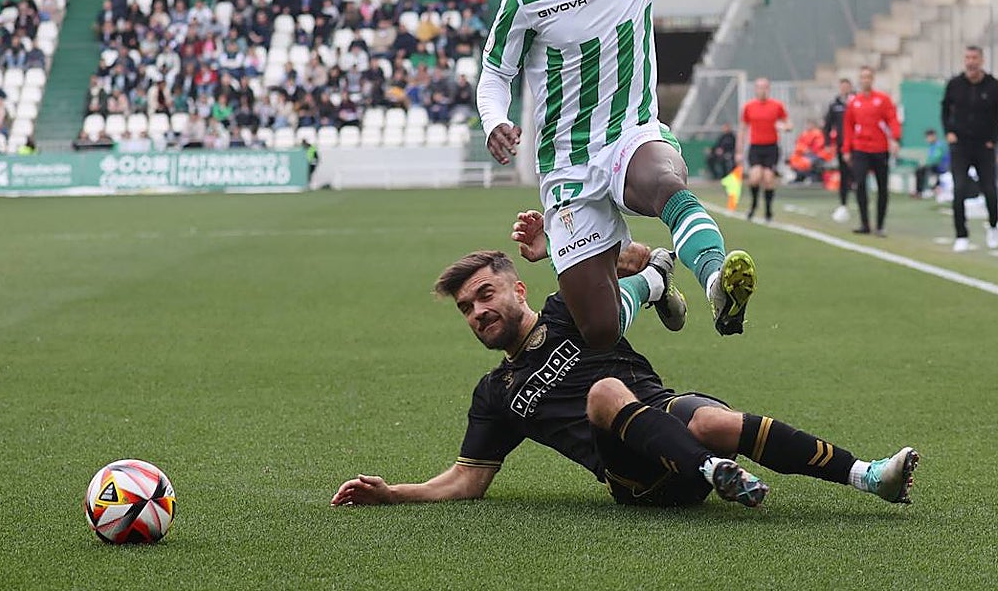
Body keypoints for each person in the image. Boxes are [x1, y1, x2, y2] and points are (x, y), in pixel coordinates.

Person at [330, 211, 919, 511]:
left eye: (485, 295)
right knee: (605, 392)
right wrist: (394, 494)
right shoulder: (497, 392)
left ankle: (868, 476)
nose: (477, 312)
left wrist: (560, 250)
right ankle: (716, 471)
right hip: (637, 479)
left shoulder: (570, 310)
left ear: (518, 290)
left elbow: (630, 258)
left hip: (670, 420)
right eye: (466, 308)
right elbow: (466, 480)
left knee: (711, 420)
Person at [478, 0, 783, 347]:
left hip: (629, 134)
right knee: (597, 330)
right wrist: (494, 118)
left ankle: (717, 280)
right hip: (565, 165)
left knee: (664, 182)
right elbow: (496, 72)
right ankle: (652, 279)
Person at [941, 45, 998, 251]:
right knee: (959, 189)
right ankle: (961, 234)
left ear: (982, 60)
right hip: (961, 145)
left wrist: (993, 139)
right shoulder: (955, 85)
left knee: (990, 190)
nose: (971, 62)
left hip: (984, 145)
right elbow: (945, 108)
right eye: (967, 58)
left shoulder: (992, 86)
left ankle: (993, 227)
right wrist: (949, 131)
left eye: (974, 58)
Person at [842, 66, 901, 237]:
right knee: (860, 183)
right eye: (862, 77)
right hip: (860, 148)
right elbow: (848, 127)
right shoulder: (854, 102)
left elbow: (892, 119)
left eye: (868, 77)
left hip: (880, 149)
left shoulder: (883, 100)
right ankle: (864, 222)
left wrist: (895, 138)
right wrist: (846, 149)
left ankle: (880, 224)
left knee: (882, 187)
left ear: (873, 79)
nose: (865, 80)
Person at [738, 76, 790, 221]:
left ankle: (768, 211)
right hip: (755, 147)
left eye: (764, 87)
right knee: (754, 178)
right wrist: (739, 151)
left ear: (768, 89)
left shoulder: (777, 106)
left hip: (771, 147)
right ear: (755, 89)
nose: (762, 90)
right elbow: (742, 129)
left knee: (768, 178)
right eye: (759, 87)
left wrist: (784, 127)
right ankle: (753, 205)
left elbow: (788, 124)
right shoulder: (749, 107)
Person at [824, 78, 855, 222]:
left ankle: (862, 203)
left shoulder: (856, 102)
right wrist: (828, 143)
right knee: (844, 175)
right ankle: (843, 204)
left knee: (858, 174)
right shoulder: (835, 105)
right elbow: (828, 125)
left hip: (858, 144)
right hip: (842, 145)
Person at [914, 129, 949, 199]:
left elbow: (937, 158)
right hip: (935, 166)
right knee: (920, 170)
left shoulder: (939, 145)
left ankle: (922, 191)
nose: (927, 139)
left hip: (941, 166)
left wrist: (925, 164)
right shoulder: (932, 146)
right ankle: (922, 191)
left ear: (934, 136)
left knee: (922, 170)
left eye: (929, 137)